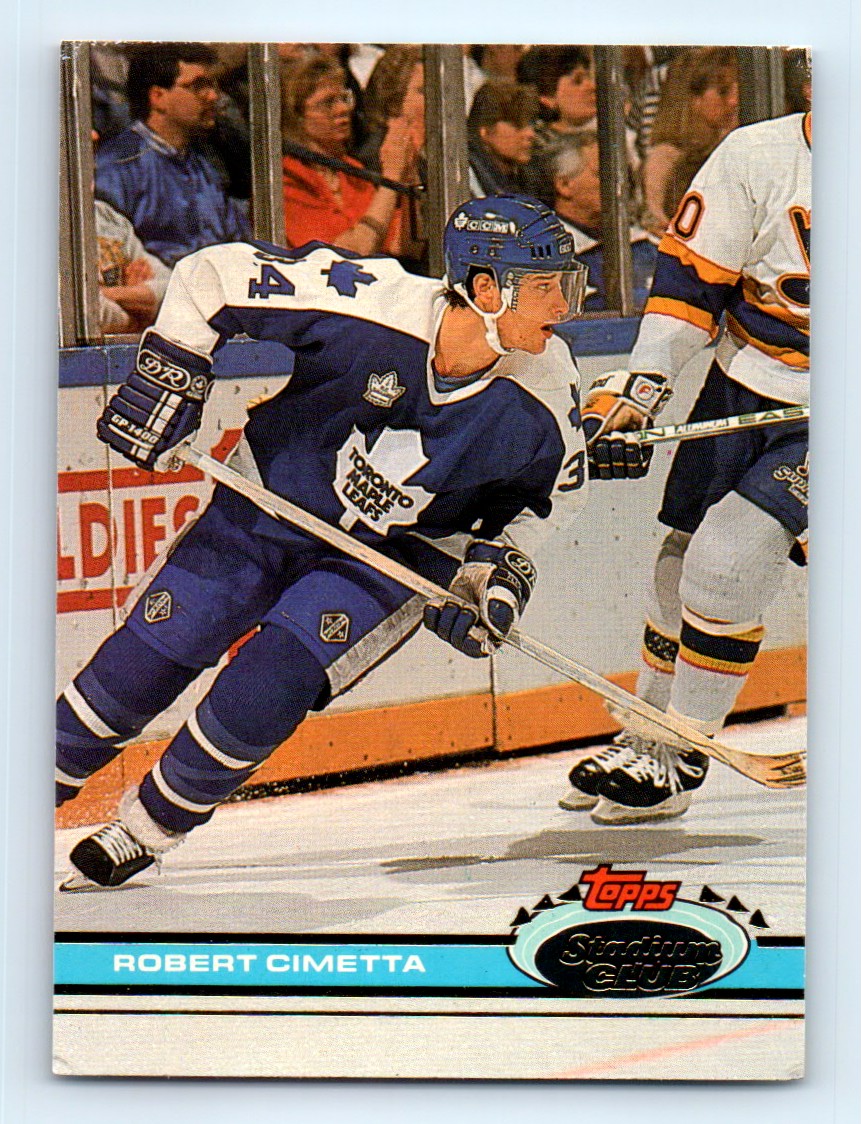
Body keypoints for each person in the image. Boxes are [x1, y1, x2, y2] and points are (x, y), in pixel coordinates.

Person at [55, 195, 589, 889]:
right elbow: (209, 275)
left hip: (395, 556)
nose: (563, 307)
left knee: (269, 683)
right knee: (147, 661)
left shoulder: (547, 388)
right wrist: (171, 370)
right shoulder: (370, 301)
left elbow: (555, 497)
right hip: (267, 506)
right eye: (545, 287)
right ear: (485, 289)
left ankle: (148, 829)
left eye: (566, 285)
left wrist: (496, 575)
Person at [559, 110, 810, 824]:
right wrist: (639, 390)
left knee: (727, 561)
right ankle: (647, 733)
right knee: (680, 559)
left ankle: (680, 747)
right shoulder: (756, 154)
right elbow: (687, 289)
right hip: (743, 382)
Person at [95, 43, 251, 268]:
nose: (213, 96)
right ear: (158, 96)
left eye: (212, 86)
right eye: (199, 86)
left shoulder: (202, 166)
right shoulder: (118, 167)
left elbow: (239, 240)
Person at [281, 54, 418, 257]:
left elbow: (403, 246)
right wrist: (392, 176)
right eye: (328, 102)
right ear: (296, 115)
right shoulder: (287, 179)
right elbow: (346, 255)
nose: (343, 109)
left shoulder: (352, 171)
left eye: (344, 98)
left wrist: (409, 178)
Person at [551, 132, 658, 312]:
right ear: (564, 185)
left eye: (622, 175)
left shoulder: (647, 246)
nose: (619, 184)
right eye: (602, 175)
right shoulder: (543, 256)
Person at [641, 47, 738, 236]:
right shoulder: (664, 158)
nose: (734, 101)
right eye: (723, 92)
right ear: (694, 99)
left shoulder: (739, 148)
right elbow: (657, 223)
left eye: (739, 91)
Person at [96, 198, 172, 334]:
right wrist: (140, 321)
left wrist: (110, 294)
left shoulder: (105, 215)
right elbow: (78, 309)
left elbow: (170, 287)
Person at [467, 80, 540, 197]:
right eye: (517, 125)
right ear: (485, 130)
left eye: (530, 124)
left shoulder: (527, 179)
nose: (530, 134)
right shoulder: (466, 178)